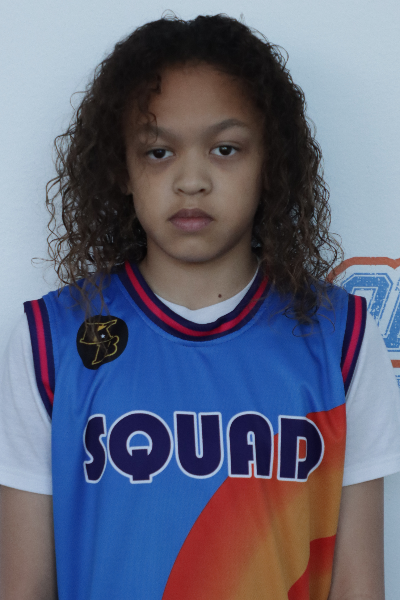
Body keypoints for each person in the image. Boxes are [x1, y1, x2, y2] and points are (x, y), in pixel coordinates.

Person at [0, 13, 399, 600]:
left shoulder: (342, 339)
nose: (192, 180)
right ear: (121, 168)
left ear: (270, 163)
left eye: (225, 148)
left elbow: (358, 587)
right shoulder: (50, 341)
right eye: (159, 151)